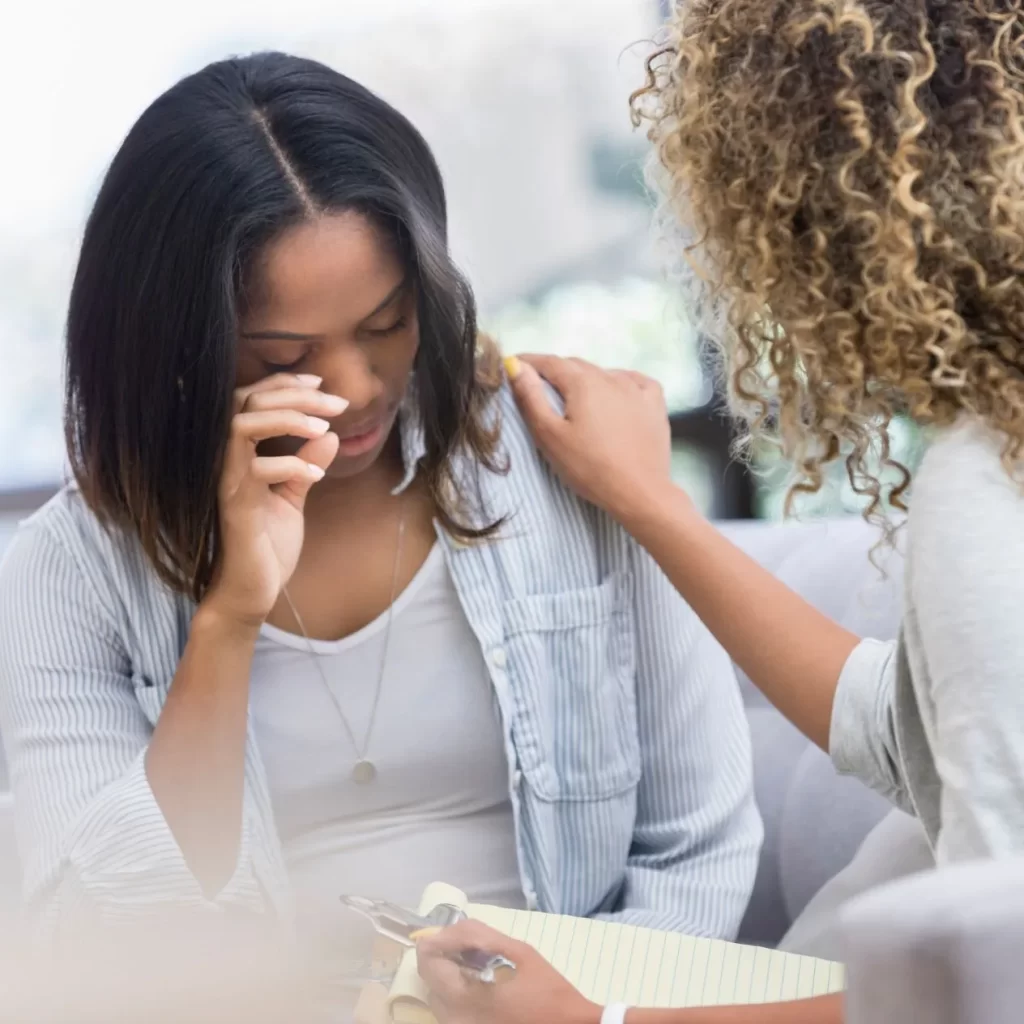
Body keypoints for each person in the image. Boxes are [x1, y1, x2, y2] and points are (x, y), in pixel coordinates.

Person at [0, 52, 761, 958]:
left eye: (386, 324)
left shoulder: (565, 463)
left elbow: (698, 851)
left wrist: (584, 1012)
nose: (358, 389)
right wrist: (231, 616)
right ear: (175, 344)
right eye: (285, 354)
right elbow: (109, 944)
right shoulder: (66, 571)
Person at [417, 0, 1024, 1021]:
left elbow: (980, 978)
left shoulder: (981, 489)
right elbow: (918, 729)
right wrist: (649, 504)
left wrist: (594, 1021)